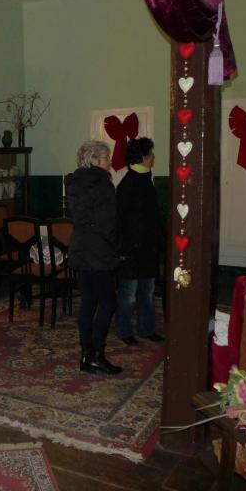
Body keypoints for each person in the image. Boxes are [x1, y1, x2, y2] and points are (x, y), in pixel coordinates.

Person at [65, 140, 122, 374]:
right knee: (108, 302)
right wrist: (118, 249)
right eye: (106, 157)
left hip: (81, 249)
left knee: (88, 302)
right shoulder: (103, 185)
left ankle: (86, 355)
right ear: (96, 161)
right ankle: (96, 354)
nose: (110, 161)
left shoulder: (75, 182)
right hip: (98, 252)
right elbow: (109, 224)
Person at [115, 138, 165, 345]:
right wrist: (123, 249)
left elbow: (153, 217)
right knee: (129, 295)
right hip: (131, 250)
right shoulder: (128, 184)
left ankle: (147, 329)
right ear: (143, 157)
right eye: (151, 153)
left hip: (148, 248)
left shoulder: (146, 181)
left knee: (148, 292)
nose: (153, 157)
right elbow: (120, 220)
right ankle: (124, 331)